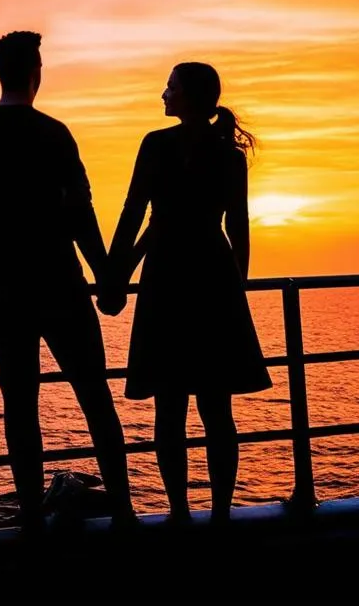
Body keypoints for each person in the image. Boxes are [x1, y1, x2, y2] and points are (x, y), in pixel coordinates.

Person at [0, 30, 135, 533]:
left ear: (1, 73)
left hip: (7, 288)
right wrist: (105, 276)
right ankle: (123, 509)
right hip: (60, 283)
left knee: (20, 403)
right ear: (36, 72)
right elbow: (81, 212)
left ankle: (31, 514)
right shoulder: (55, 134)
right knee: (94, 397)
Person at [106, 61, 272, 525]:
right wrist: (236, 289)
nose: (163, 94)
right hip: (213, 277)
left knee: (170, 405)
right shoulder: (229, 155)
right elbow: (237, 227)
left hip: (167, 278)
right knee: (216, 407)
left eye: (170, 88)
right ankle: (220, 514)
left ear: (187, 97)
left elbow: (133, 211)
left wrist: (113, 272)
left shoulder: (155, 145)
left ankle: (179, 512)